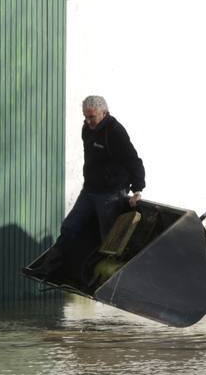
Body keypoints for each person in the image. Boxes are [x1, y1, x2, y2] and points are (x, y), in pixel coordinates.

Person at [52, 95, 146, 283]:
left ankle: (111, 279)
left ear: (104, 113)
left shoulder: (115, 132)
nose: (88, 121)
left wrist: (137, 189)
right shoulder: (87, 129)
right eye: (85, 117)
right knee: (69, 226)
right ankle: (60, 267)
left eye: (92, 117)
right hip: (90, 190)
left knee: (109, 239)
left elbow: (132, 159)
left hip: (111, 193)